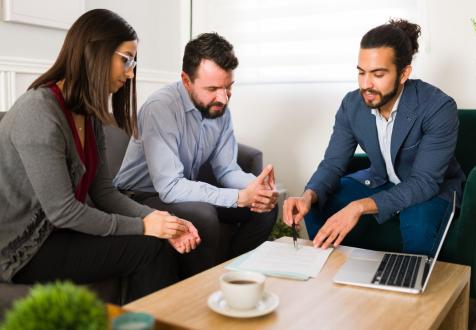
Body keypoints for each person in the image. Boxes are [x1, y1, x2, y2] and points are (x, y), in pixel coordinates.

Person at [0, 9, 200, 303]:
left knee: (158, 239)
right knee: (148, 247)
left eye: (134, 62)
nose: (131, 72)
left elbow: (104, 192)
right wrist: (144, 226)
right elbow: (63, 211)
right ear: (94, 51)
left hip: (57, 233)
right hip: (21, 249)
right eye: (126, 59)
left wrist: (158, 218)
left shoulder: (88, 115)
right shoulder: (38, 112)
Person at [283, 19, 465, 256]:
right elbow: (333, 164)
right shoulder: (352, 105)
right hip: (380, 180)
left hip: (431, 188)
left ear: (403, 74)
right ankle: (330, 278)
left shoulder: (438, 107)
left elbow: (425, 182)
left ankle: (405, 288)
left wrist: (358, 207)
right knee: (320, 203)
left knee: (418, 224)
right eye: (361, 73)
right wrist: (307, 196)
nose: (366, 85)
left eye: (378, 74)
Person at [114, 32, 278, 276]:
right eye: (212, 88)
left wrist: (255, 188)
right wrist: (237, 198)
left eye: (228, 87)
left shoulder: (219, 109)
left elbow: (226, 169)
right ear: (186, 80)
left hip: (180, 189)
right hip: (139, 196)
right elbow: (170, 187)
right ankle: (200, 292)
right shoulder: (161, 108)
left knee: (265, 207)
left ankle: (231, 276)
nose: (222, 98)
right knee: (202, 216)